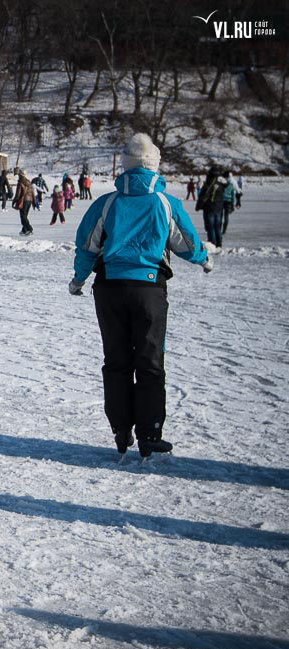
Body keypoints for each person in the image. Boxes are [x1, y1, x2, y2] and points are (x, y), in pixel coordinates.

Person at [70, 133, 210, 459]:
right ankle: (149, 434)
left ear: (126, 166)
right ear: (153, 166)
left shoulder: (107, 203)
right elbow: (187, 243)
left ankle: (121, 430)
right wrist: (204, 259)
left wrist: (78, 280)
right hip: (149, 290)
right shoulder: (165, 203)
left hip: (109, 289)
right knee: (149, 361)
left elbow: (87, 246)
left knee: (116, 360)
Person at [196, 166, 225, 247]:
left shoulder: (209, 184)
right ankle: (219, 242)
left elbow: (204, 196)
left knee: (211, 226)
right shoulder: (220, 184)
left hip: (210, 208)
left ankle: (213, 242)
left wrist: (199, 205)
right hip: (219, 208)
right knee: (217, 226)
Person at [13, 170, 35, 236]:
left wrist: (14, 201)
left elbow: (18, 194)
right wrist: (34, 201)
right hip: (29, 200)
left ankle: (29, 229)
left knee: (23, 216)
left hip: (23, 201)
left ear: (20, 175)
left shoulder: (20, 182)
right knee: (25, 216)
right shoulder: (29, 182)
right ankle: (24, 230)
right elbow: (32, 192)